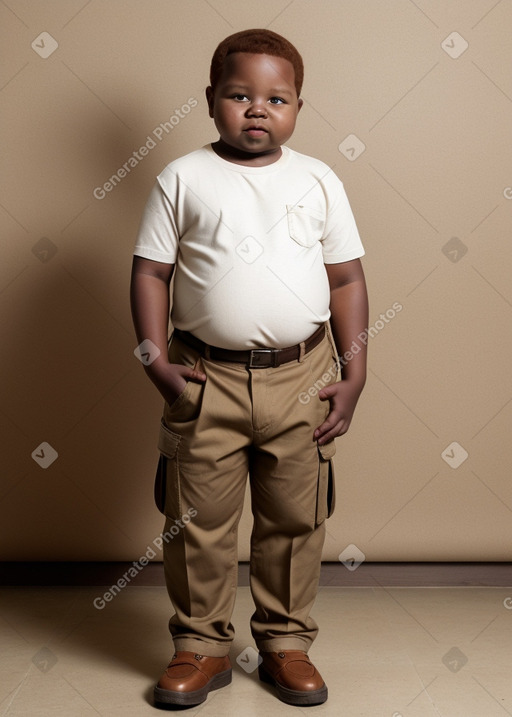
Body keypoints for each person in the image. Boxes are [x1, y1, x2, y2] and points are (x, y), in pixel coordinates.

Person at [130, 28, 368, 709]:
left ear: (297, 107)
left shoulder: (319, 179)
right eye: (240, 95)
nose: (257, 109)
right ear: (211, 102)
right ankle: (201, 647)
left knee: (295, 520)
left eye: (276, 98)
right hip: (206, 377)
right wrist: (156, 360)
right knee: (197, 521)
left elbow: (347, 281)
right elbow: (151, 271)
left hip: (303, 376)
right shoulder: (182, 176)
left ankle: (286, 644)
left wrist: (353, 375)